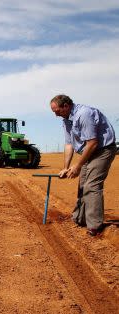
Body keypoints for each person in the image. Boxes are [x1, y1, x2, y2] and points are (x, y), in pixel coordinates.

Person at [50, 94, 117, 236]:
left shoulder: (84, 114)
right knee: (82, 185)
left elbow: (93, 142)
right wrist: (66, 167)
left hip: (102, 150)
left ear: (66, 106)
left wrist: (78, 166)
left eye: (57, 111)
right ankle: (80, 218)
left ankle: (95, 226)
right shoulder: (66, 120)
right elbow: (69, 144)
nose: (56, 115)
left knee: (92, 185)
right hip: (88, 151)